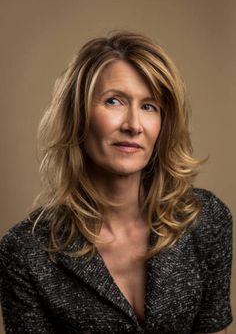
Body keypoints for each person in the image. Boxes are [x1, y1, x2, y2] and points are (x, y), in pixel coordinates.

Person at [0, 31, 233, 334]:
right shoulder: (25, 252)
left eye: (149, 106)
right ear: (78, 114)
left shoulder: (205, 218)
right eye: (114, 101)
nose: (133, 125)